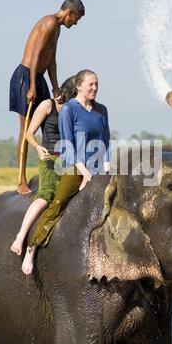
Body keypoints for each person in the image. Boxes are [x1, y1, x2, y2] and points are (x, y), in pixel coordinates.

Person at [21, 69, 110, 275]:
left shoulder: (102, 110)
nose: (95, 88)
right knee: (58, 204)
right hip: (73, 166)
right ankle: (32, 247)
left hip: (97, 166)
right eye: (91, 84)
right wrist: (83, 171)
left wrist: (106, 168)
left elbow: (106, 142)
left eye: (97, 84)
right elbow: (68, 144)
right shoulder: (69, 109)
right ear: (79, 86)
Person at [9, 0, 85, 195]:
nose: (75, 23)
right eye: (76, 19)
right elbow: (35, 55)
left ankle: (54, 172)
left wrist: (55, 87)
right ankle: (21, 181)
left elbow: (51, 59)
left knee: (50, 123)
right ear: (69, 12)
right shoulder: (49, 22)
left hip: (39, 77)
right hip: (26, 77)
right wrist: (32, 85)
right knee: (25, 129)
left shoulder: (57, 28)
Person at [10, 76, 76, 265]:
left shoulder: (75, 110)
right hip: (49, 159)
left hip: (69, 160)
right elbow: (29, 133)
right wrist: (38, 148)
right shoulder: (48, 105)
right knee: (46, 196)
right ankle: (21, 237)